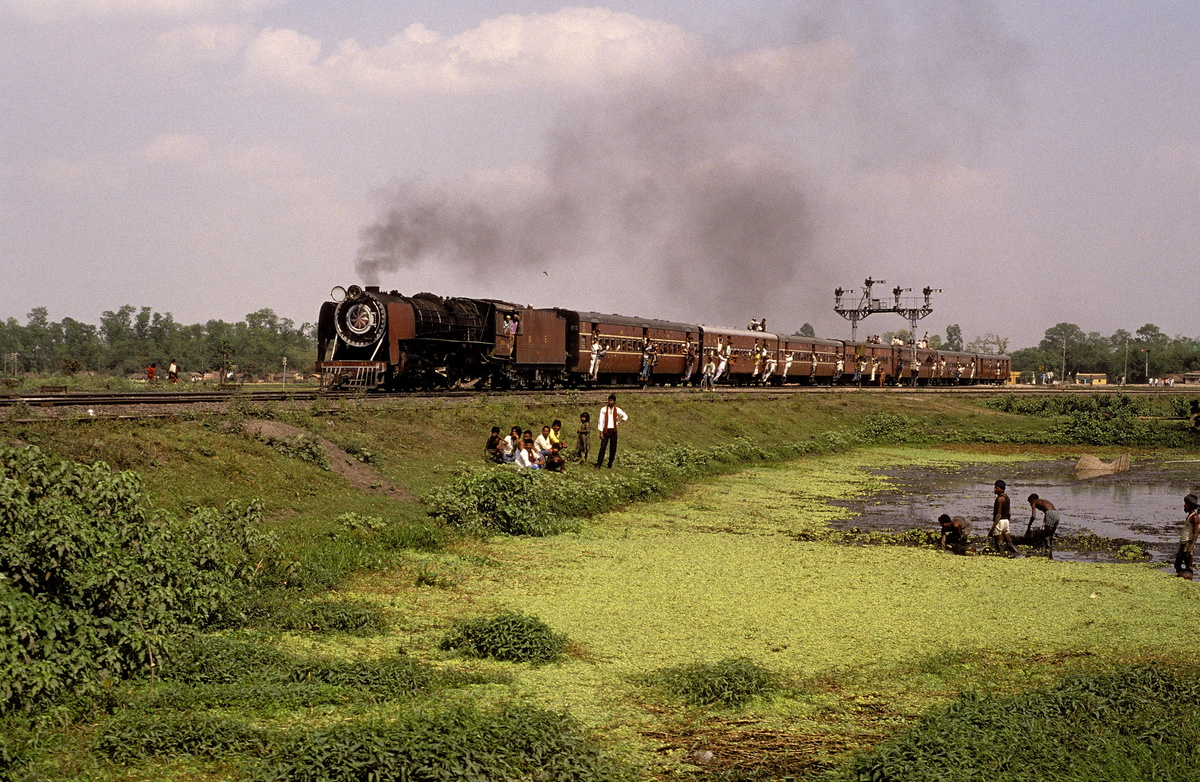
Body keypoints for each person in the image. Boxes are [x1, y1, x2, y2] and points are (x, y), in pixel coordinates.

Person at [594, 394, 628, 469]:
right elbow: (601, 421)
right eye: (609, 400)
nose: (610, 402)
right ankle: (598, 464)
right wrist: (600, 432)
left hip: (614, 430)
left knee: (613, 448)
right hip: (606, 430)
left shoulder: (617, 410)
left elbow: (625, 416)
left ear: (614, 402)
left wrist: (618, 422)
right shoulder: (603, 409)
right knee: (603, 447)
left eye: (612, 400)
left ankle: (610, 464)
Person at [989, 480, 1019, 556]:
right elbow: (1009, 512)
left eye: (997, 488)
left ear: (1001, 489)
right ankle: (1017, 553)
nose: (995, 489)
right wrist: (1007, 522)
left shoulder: (999, 499)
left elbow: (998, 514)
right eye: (995, 487)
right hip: (1006, 521)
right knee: (1009, 542)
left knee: (998, 543)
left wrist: (992, 529)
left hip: (1000, 522)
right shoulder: (1007, 498)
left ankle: (1001, 556)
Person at [1174, 494, 1199, 579]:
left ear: (1191, 505)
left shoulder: (1195, 517)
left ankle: (1188, 579)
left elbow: (1196, 533)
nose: (1184, 505)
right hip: (1184, 542)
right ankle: (1181, 577)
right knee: (1177, 563)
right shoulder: (1190, 516)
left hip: (1188, 542)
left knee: (1188, 564)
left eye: (1186, 503)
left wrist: (1191, 546)